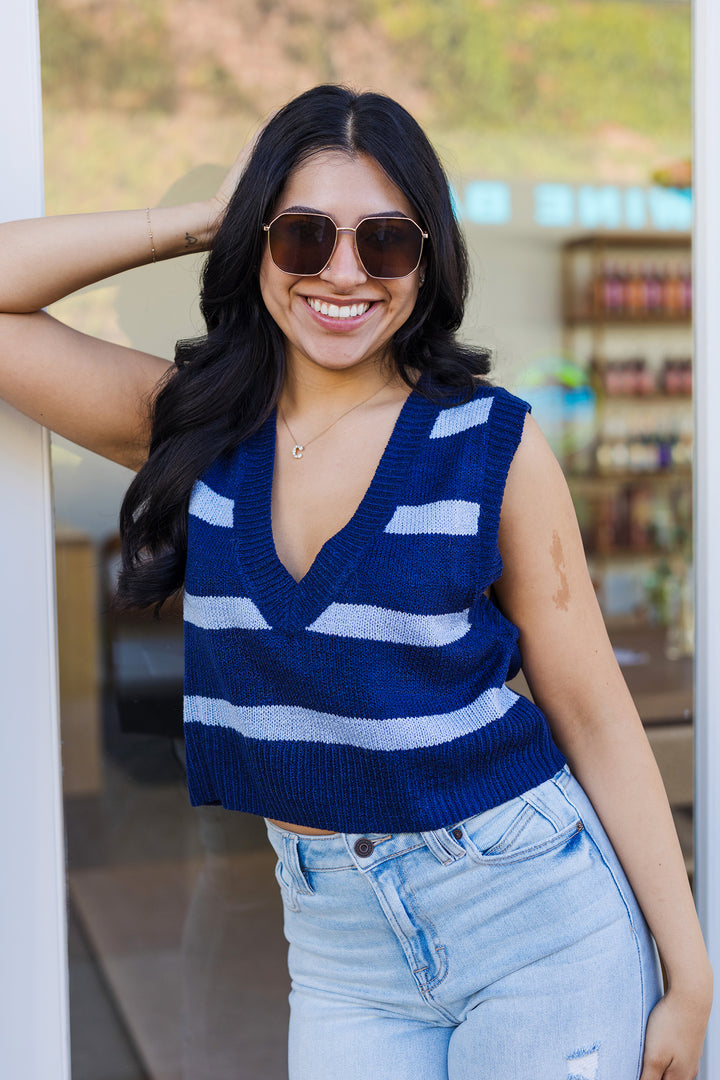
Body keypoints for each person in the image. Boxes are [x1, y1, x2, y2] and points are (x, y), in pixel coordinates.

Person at [0, 84, 711, 1079]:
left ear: (426, 262)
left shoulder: (487, 443)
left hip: (535, 919)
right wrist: (209, 219)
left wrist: (690, 970)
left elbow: (592, 710)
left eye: (384, 242)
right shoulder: (200, 431)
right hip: (339, 954)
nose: (343, 272)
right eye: (302, 237)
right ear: (259, 245)